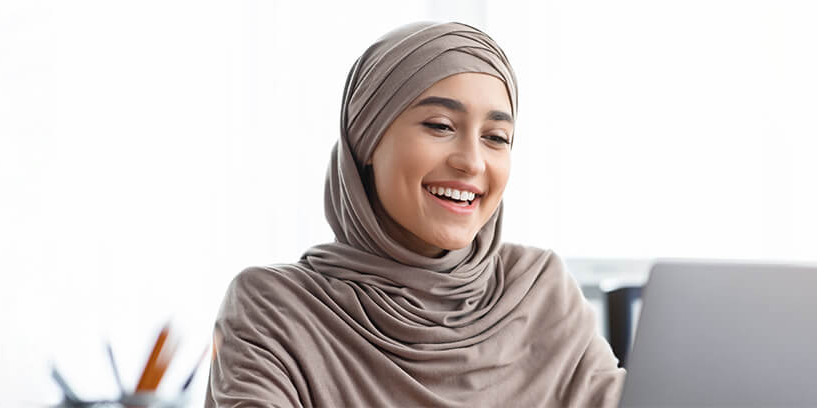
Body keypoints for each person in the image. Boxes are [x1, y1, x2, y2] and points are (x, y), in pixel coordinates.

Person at [205, 21, 625, 407]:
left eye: (496, 137)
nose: (472, 163)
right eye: (441, 126)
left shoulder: (539, 290)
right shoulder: (275, 308)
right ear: (366, 141)